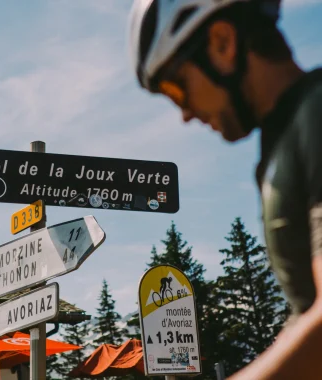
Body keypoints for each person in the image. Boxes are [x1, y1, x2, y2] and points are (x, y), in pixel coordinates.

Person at [128, 0, 322, 379]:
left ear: (221, 42)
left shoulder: (316, 113)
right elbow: (306, 314)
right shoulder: (278, 144)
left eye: (176, 87)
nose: (184, 115)